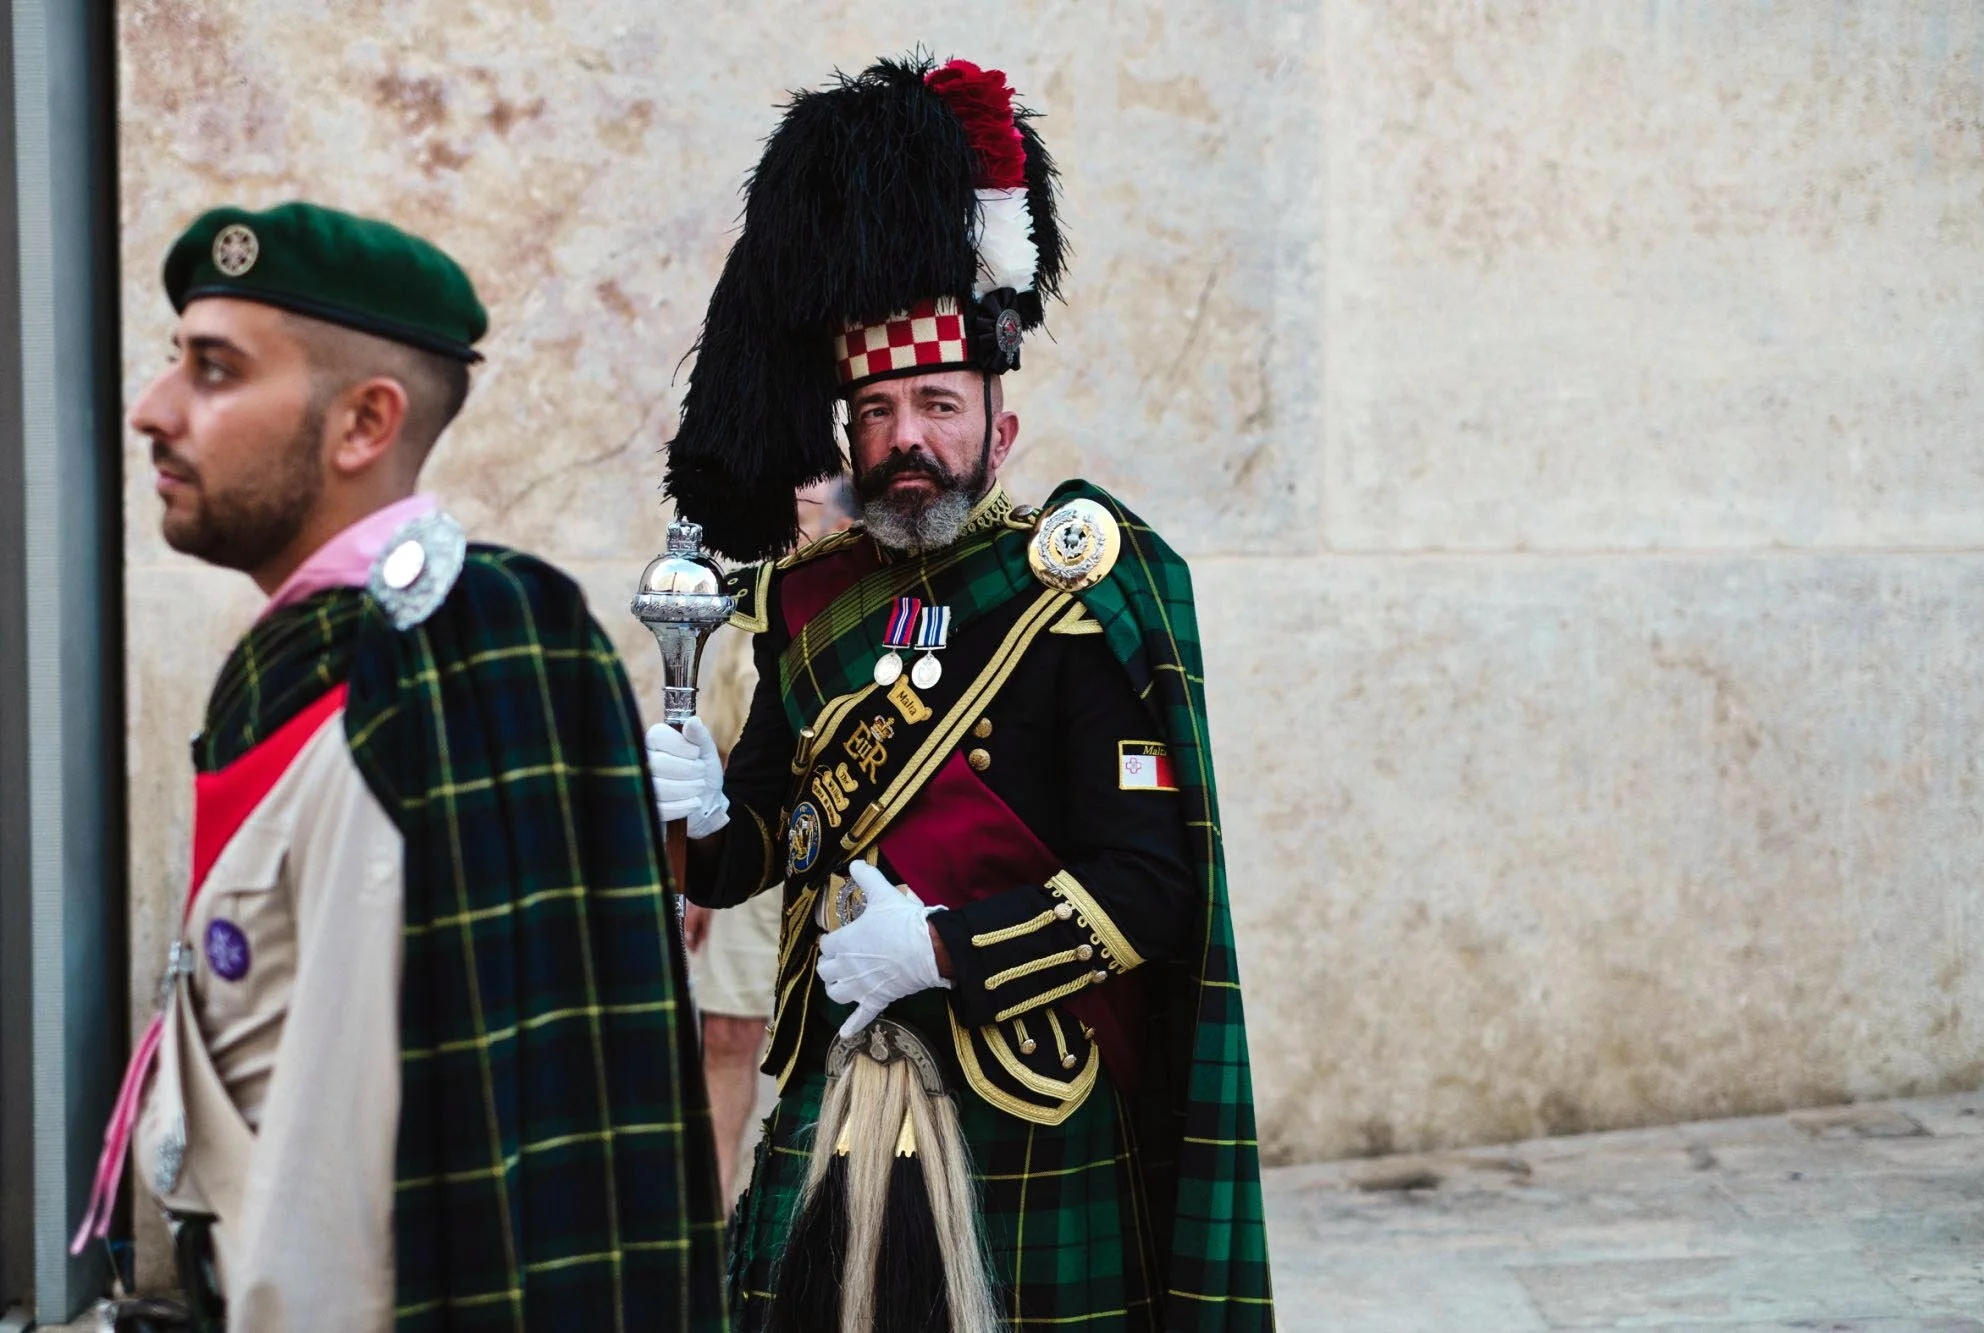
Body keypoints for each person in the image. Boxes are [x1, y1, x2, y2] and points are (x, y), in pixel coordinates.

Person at [648, 56, 1275, 1331]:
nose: (907, 440)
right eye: (877, 411)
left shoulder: (1070, 589)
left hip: (1022, 1102)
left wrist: (937, 948)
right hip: (831, 1086)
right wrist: (704, 811)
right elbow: (751, 852)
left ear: (1000, 429)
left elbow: (1149, 886)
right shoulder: (804, 603)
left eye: (938, 403)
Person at [75, 202, 727, 1332]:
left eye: (214, 371)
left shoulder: (425, 674)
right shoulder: (347, 653)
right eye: (174, 361)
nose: (153, 408)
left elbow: (352, 1163)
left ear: (364, 422)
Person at [684, 477, 858, 1207]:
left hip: (835, 850)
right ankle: (715, 1207)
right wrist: (700, 862)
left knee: (829, 1041)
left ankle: (801, 1205)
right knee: (726, 1032)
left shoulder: (856, 586)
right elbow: (716, 733)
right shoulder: (752, 592)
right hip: (749, 831)